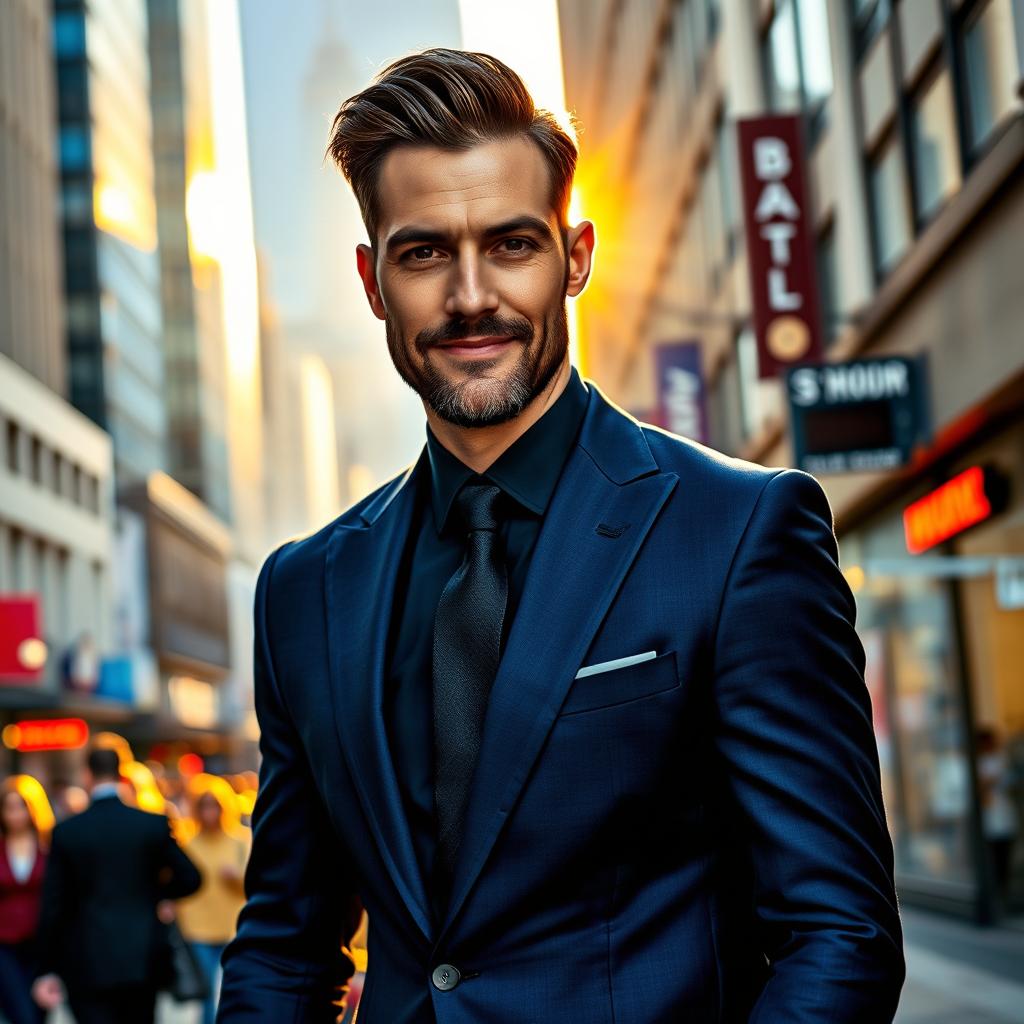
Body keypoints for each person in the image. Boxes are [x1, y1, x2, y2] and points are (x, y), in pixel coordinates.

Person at [218, 48, 904, 1023]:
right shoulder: (304, 589)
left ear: (574, 255)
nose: (468, 297)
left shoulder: (739, 533)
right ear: (373, 280)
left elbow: (837, 931)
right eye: (423, 253)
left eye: (509, 245)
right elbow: (286, 945)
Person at [32, 746, 202, 1024]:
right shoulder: (151, 825)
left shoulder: (67, 831)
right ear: (122, 774)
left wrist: (45, 967)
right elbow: (191, 877)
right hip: (142, 954)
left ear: (86, 775)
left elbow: (53, 903)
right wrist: (157, 897)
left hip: (85, 958)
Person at [176, 779, 250, 1024]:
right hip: (197, 927)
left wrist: (235, 877)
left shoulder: (241, 841)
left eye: (214, 806)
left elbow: (255, 883)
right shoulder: (189, 843)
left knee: (233, 989)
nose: (210, 812)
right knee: (207, 991)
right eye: (204, 806)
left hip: (232, 926)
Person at [0, 782, 48, 1024]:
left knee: (39, 1011)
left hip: (40, 942)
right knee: (21, 1014)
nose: (16, 814)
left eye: (21, 807)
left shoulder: (47, 847)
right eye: (9, 808)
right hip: (4, 943)